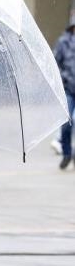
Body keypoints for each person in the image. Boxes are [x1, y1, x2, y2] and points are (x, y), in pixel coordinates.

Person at [53, 23, 75, 169]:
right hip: (68, 88)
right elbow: (54, 63)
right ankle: (67, 153)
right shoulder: (63, 42)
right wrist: (63, 79)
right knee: (66, 123)